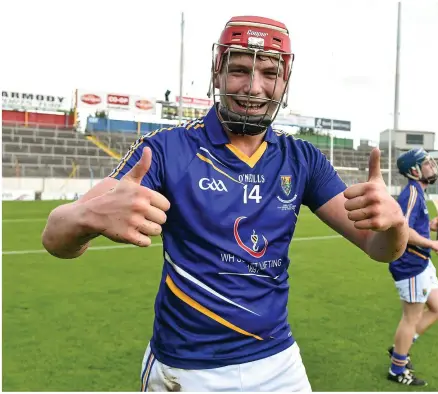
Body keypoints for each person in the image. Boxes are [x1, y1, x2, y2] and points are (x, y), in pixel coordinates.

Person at [41, 16, 409, 392]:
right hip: (185, 371)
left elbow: (378, 249)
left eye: (269, 73)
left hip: (279, 363)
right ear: (216, 73)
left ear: (285, 81)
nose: (253, 87)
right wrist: (89, 215)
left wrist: (395, 225)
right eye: (238, 70)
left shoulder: (302, 159)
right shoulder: (166, 150)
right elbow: (55, 237)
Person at [386, 148, 438, 386]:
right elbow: (402, 230)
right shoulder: (411, 193)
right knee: (410, 318)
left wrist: (430, 226)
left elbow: (414, 226)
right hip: (410, 264)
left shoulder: (419, 192)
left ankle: (400, 348)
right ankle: (397, 369)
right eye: (426, 163)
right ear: (414, 170)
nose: (432, 166)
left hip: (422, 261)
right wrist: (432, 242)